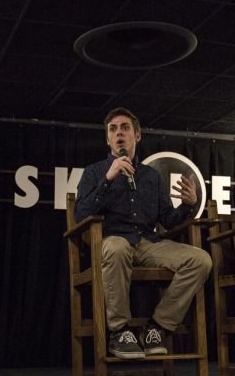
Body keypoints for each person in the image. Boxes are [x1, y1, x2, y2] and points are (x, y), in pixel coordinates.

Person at [75, 108, 212, 359]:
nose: (119, 134)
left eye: (125, 128)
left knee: (200, 259)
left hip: (148, 242)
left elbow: (169, 220)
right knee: (117, 247)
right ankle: (119, 331)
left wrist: (189, 205)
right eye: (113, 129)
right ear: (107, 139)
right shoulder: (94, 172)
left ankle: (157, 326)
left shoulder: (151, 176)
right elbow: (81, 213)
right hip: (112, 240)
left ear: (137, 136)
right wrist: (109, 177)